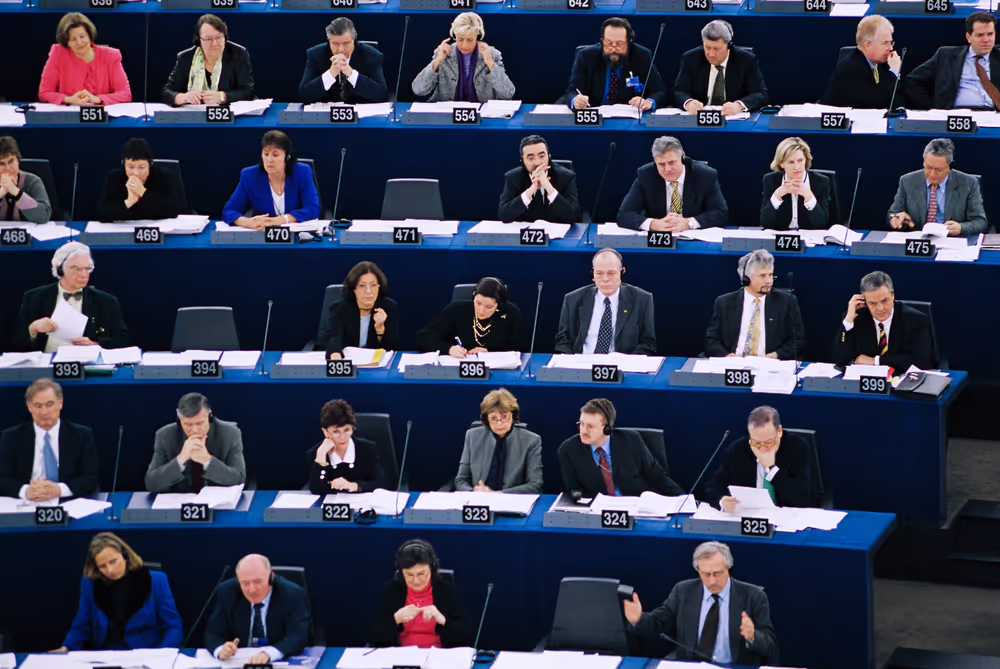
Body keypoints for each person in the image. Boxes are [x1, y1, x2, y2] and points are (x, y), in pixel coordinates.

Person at [624, 541, 778, 666]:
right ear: (698, 570)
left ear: (728, 568)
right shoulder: (683, 591)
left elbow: (770, 647)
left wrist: (752, 636)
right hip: (690, 664)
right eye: (706, 574)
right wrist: (638, 619)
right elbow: (659, 622)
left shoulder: (753, 596)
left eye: (717, 573)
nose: (712, 581)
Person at [54, 533, 182, 652]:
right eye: (102, 566)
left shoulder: (157, 580)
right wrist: (66, 648)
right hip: (104, 654)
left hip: (144, 654)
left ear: (125, 556)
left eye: (113, 561)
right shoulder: (90, 583)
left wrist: (160, 655)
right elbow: (82, 624)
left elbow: (173, 626)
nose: (110, 570)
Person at [11, 242, 130, 352]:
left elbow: (123, 340)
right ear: (59, 269)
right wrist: (33, 329)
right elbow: (15, 342)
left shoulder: (106, 302)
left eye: (87, 268)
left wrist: (95, 343)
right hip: (46, 362)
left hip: (87, 362)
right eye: (76, 268)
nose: (84, 274)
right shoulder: (34, 298)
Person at [557, 398, 682, 498]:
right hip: (597, 510)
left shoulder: (631, 441)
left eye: (591, 426)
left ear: (607, 428)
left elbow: (657, 476)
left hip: (637, 504)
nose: (584, 431)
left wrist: (683, 499)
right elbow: (574, 490)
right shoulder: (568, 450)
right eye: (581, 424)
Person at [0, 379, 98, 501]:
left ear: (60, 403)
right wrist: (26, 491)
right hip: (27, 502)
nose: (44, 412)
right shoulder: (11, 437)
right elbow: (2, 477)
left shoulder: (81, 435)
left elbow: (91, 477)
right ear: (29, 407)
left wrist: (59, 490)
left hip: (66, 502)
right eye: (38, 406)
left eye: (49, 404)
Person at [204, 554, 311, 665]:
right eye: (245, 583)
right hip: (238, 663)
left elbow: (298, 636)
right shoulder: (227, 592)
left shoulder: (292, 593)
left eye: (258, 582)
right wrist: (221, 649)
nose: (252, 589)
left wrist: (269, 654)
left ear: (271, 577)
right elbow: (213, 633)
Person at [704, 406, 815, 512]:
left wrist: (771, 468)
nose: (762, 449)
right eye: (756, 443)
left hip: (785, 516)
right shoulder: (737, 450)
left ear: (779, 431)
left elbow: (801, 498)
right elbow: (713, 487)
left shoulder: (797, 448)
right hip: (749, 516)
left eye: (768, 442)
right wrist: (721, 500)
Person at [704, 250, 805, 361]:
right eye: (762, 276)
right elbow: (711, 340)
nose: (769, 281)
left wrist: (777, 354)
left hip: (770, 364)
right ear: (745, 279)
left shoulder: (787, 301)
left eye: (771, 275)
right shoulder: (724, 303)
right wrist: (727, 356)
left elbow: (798, 340)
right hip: (734, 363)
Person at [370, 540, 472, 648]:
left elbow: (466, 636)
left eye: (421, 574)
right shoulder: (392, 590)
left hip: (438, 654)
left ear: (431, 569)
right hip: (401, 654)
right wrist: (396, 619)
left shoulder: (446, 590)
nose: (416, 581)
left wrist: (442, 619)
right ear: (401, 573)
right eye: (409, 575)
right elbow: (374, 636)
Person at [554, 248, 656, 355]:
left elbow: (648, 344)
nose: (605, 279)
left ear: (622, 273)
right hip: (582, 361)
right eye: (599, 273)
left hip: (622, 363)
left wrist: (626, 361)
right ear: (593, 274)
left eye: (611, 273)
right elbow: (563, 340)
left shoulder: (642, 300)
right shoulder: (573, 299)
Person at [617, 136, 729, 232]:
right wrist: (654, 224)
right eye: (661, 164)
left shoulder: (705, 175)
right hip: (659, 239)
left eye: (672, 163)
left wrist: (689, 223)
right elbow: (624, 214)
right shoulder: (646, 175)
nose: (667, 169)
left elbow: (721, 213)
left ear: (682, 157)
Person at [831, 271, 935, 370]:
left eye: (884, 301)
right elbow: (839, 359)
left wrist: (876, 361)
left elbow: (920, 361)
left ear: (893, 295)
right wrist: (848, 321)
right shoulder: (858, 318)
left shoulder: (915, 319)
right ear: (864, 301)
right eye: (872, 303)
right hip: (866, 379)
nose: (880, 308)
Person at [145, 393, 246, 494]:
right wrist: (181, 459)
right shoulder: (164, 436)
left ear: (209, 415)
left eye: (199, 423)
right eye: (187, 424)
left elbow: (239, 480)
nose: (194, 430)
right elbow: (151, 483)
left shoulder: (230, 434)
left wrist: (207, 460)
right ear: (179, 418)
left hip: (218, 499)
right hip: (180, 500)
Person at [887, 138, 987, 237]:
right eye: (929, 168)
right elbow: (893, 213)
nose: (932, 174)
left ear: (949, 167)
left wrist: (961, 228)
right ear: (924, 162)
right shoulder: (907, 181)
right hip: (918, 240)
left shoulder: (968, 183)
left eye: (938, 170)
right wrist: (895, 219)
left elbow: (980, 222)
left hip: (952, 240)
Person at [561, 17, 667, 111]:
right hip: (594, 113)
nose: (613, 49)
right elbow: (572, 91)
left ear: (629, 43)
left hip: (629, 116)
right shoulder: (586, 56)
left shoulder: (642, 55)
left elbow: (659, 91)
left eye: (619, 44)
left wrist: (648, 102)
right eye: (608, 43)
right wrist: (576, 100)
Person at [222, 130, 320, 230]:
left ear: (287, 157)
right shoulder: (250, 176)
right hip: (262, 234)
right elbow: (229, 210)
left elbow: (312, 209)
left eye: (275, 155)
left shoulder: (302, 172)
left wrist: (280, 220)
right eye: (266, 154)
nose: (269, 160)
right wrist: (249, 222)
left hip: (296, 235)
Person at [411, 12, 514, 103]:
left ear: (478, 37)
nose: (464, 45)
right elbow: (418, 90)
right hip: (446, 113)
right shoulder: (443, 53)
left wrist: (490, 63)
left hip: (481, 114)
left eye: (469, 40)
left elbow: (507, 93)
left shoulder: (492, 54)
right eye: (460, 39)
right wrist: (436, 61)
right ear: (455, 36)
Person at [454, 389, 542, 494]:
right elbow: (461, 480)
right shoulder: (472, 436)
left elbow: (536, 485)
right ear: (486, 419)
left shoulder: (531, 441)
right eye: (493, 418)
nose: (499, 423)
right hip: (478, 499)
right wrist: (474, 493)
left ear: (513, 416)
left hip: (512, 500)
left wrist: (496, 494)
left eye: (504, 417)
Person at [906, 12, 1000, 110]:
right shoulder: (946, 56)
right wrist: (931, 109)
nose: (986, 40)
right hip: (956, 114)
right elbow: (912, 80)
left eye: (990, 34)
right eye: (980, 35)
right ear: (969, 37)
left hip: (994, 114)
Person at [672, 20, 768, 114]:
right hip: (701, 116)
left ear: (729, 46)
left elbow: (760, 93)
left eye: (717, 49)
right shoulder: (691, 58)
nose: (711, 54)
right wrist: (689, 103)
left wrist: (739, 105)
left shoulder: (746, 60)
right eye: (707, 47)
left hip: (733, 118)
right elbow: (679, 91)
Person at [38, 12, 131, 106]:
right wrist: (69, 99)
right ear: (67, 42)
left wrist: (98, 99)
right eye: (73, 39)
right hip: (70, 112)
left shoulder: (111, 55)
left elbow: (125, 94)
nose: (79, 42)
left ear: (90, 36)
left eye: (82, 36)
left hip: (100, 113)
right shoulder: (58, 53)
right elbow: (45, 93)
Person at [162, 14, 255, 107]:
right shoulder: (185, 58)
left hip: (228, 113)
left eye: (219, 37)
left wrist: (222, 96)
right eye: (208, 39)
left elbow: (248, 92)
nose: (214, 44)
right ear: (199, 40)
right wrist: (182, 97)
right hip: (194, 113)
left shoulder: (238, 54)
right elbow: (166, 92)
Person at [417, 277, 525, 357]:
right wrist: (449, 349)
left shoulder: (511, 313)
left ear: (499, 305)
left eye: (489, 307)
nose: (481, 310)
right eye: (478, 303)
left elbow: (521, 346)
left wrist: (489, 352)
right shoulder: (456, 310)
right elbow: (424, 337)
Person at [317, 261, 400, 359]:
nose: (368, 291)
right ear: (354, 289)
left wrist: (380, 331)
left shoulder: (388, 307)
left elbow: (392, 350)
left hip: (375, 366)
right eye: (362, 285)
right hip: (348, 362)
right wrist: (337, 359)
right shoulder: (340, 308)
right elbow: (334, 340)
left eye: (373, 285)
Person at [821, 15, 904, 109]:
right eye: (885, 43)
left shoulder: (883, 64)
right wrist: (894, 72)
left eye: (891, 42)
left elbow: (897, 101)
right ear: (867, 45)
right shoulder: (850, 67)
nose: (890, 48)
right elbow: (875, 103)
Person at [299, 17, 387, 104]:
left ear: (354, 39)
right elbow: (304, 95)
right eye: (335, 44)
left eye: (346, 43)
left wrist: (351, 74)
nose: (341, 49)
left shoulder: (372, 56)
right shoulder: (315, 55)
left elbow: (381, 94)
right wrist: (331, 74)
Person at [97, 138, 186, 222]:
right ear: (124, 165)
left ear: (149, 165)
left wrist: (143, 193)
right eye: (131, 167)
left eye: (141, 167)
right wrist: (128, 202)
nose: (136, 173)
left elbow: (175, 210)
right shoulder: (114, 178)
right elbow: (101, 214)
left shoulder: (162, 177)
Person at [307, 399, 385, 494]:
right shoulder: (317, 453)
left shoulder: (367, 449)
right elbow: (316, 489)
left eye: (347, 430)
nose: (342, 437)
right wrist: (321, 456)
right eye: (336, 432)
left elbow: (381, 483)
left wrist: (356, 486)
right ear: (325, 432)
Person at [498, 135, 581, 224]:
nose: (537, 162)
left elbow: (573, 216)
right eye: (531, 158)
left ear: (549, 157)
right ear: (522, 161)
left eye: (542, 156)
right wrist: (530, 191)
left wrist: (549, 188)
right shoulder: (513, 178)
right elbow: (504, 215)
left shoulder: (566, 177)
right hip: (524, 232)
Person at [759, 137, 831, 231]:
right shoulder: (770, 180)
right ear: (781, 164)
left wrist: (808, 196)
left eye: (800, 160)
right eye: (791, 162)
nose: (797, 167)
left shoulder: (821, 182)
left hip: (809, 236)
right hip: (781, 236)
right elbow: (765, 223)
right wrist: (777, 195)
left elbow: (821, 224)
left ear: (806, 160)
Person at [0, 136, 52, 223]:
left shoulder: (33, 181)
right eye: (1, 164)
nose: (8, 168)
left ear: (18, 161)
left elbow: (44, 215)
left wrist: (17, 193)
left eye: (11, 161)